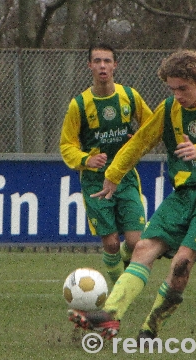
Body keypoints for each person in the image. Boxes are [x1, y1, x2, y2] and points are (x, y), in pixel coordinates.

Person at [67, 49, 196, 340]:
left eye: (183, 88)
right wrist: (113, 176)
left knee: (181, 264)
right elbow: (139, 143)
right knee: (142, 248)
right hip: (183, 193)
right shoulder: (168, 110)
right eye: (172, 88)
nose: (177, 95)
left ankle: (151, 325)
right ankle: (110, 316)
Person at [59, 43, 153, 284]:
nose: (102, 65)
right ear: (90, 65)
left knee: (135, 243)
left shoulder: (129, 96)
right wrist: (86, 159)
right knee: (110, 243)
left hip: (125, 175)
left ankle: (124, 268)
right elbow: (66, 145)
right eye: (97, 61)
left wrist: (139, 140)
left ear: (115, 65)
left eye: (107, 61)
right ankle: (119, 288)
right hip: (96, 180)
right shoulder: (79, 105)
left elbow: (153, 126)